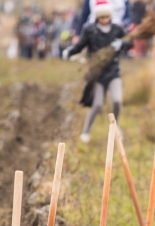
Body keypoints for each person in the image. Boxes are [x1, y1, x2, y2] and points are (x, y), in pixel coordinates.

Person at [62, 0, 131, 143]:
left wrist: (121, 44)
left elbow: (129, 43)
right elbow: (81, 45)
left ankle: (115, 128)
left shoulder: (117, 30)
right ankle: (86, 132)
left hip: (113, 71)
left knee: (117, 101)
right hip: (98, 73)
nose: (105, 20)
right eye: (102, 18)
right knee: (98, 104)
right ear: (97, 17)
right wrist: (69, 51)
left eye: (107, 17)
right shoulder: (89, 29)